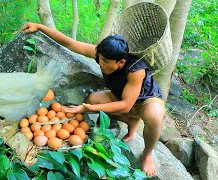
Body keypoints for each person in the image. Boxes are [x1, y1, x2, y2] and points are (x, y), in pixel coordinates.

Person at [20, 22, 165, 176]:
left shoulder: (136, 70)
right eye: (100, 59)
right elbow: (70, 43)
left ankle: (147, 154)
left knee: (154, 116)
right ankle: (131, 121)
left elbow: (125, 105)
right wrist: (40, 27)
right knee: (93, 99)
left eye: (106, 62)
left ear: (120, 62)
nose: (100, 64)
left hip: (145, 100)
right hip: (121, 95)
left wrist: (88, 109)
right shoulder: (102, 55)